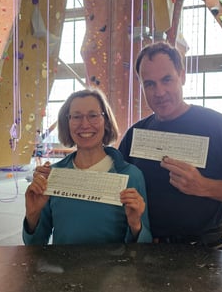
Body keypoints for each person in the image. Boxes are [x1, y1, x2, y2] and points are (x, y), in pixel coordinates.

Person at [118, 41, 222, 250]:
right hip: (150, 251)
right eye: (149, 84)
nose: (159, 92)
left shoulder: (215, 125)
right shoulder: (136, 134)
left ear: (182, 76)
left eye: (167, 79)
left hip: (207, 250)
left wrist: (204, 186)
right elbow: (113, 182)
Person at [23, 88, 152, 245]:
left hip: (114, 268)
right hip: (65, 268)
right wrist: (32, 215)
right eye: (76, 117)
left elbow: (144, 247)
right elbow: (34, 246)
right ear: (67, 123)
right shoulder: (53, 176)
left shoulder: (131, 176)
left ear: (106, 121)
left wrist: (135, 224)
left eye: (93, 116)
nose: (84, 124)